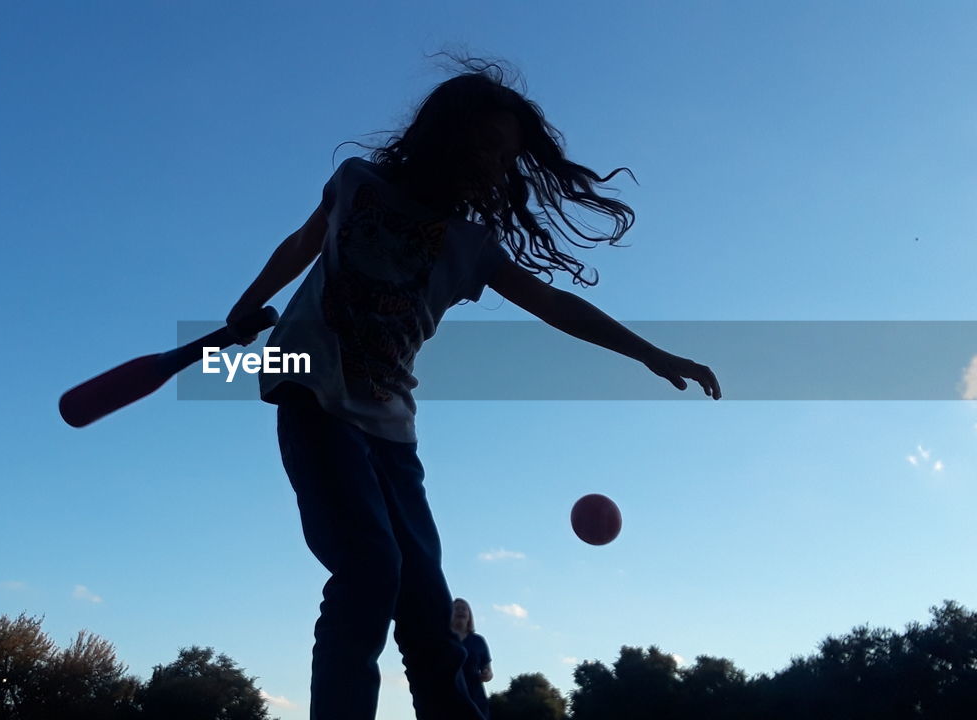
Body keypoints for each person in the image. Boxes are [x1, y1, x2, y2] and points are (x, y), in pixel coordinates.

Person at [226, 55, 721, 720]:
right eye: (487, 145)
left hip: (390, 432)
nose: (497, 164)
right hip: (309, 391)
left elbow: (557, 306)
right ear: (445, 134)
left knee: (430, 615)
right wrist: (246, 304)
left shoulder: (472, 245)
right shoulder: (357, 182)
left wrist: (650, 353)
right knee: (371, 570)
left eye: (507, 155)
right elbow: (302, 244)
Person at [451, 598, 493, 719]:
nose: (460, 611)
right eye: (457, 608)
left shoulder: (478, 641)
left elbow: (488, 670)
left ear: (469, 616)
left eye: (464, 609)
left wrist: (486, 674)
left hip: (475, 697)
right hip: (448, 695)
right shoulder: (444, 639)